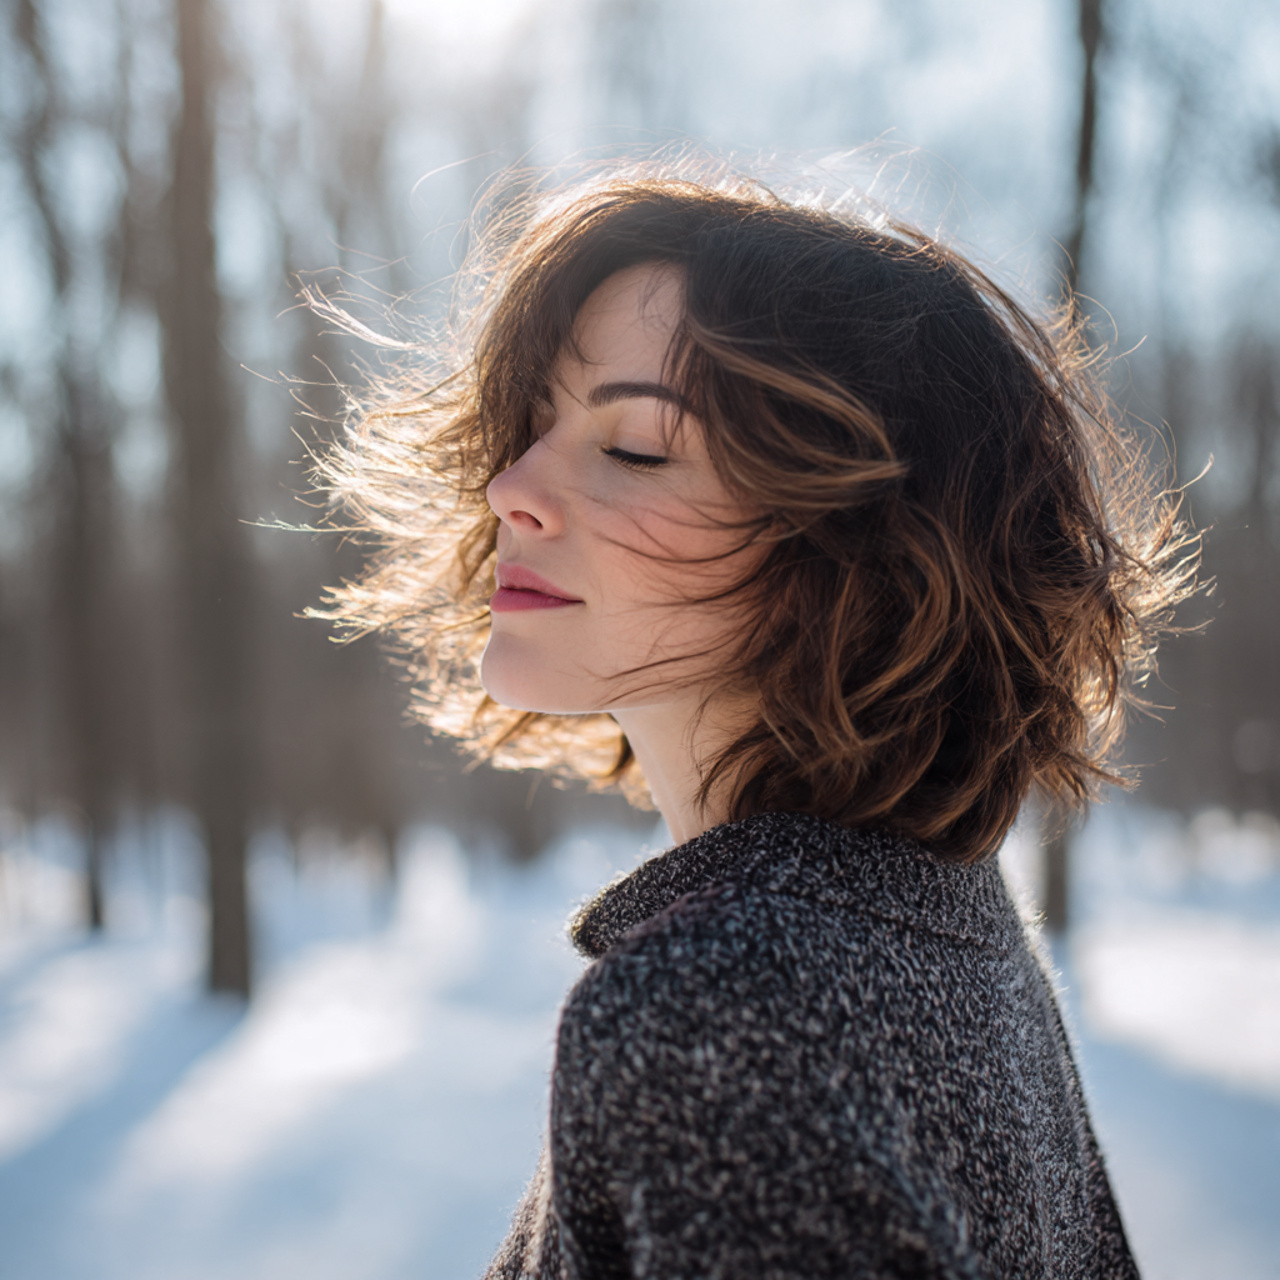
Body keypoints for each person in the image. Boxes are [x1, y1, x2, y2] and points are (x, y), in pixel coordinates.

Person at [315, 165, 1196, 1278]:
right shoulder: (936, 920)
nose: (512, 488)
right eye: (532, 423)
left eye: (633, 445)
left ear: (860, 550)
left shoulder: (719, 1011)